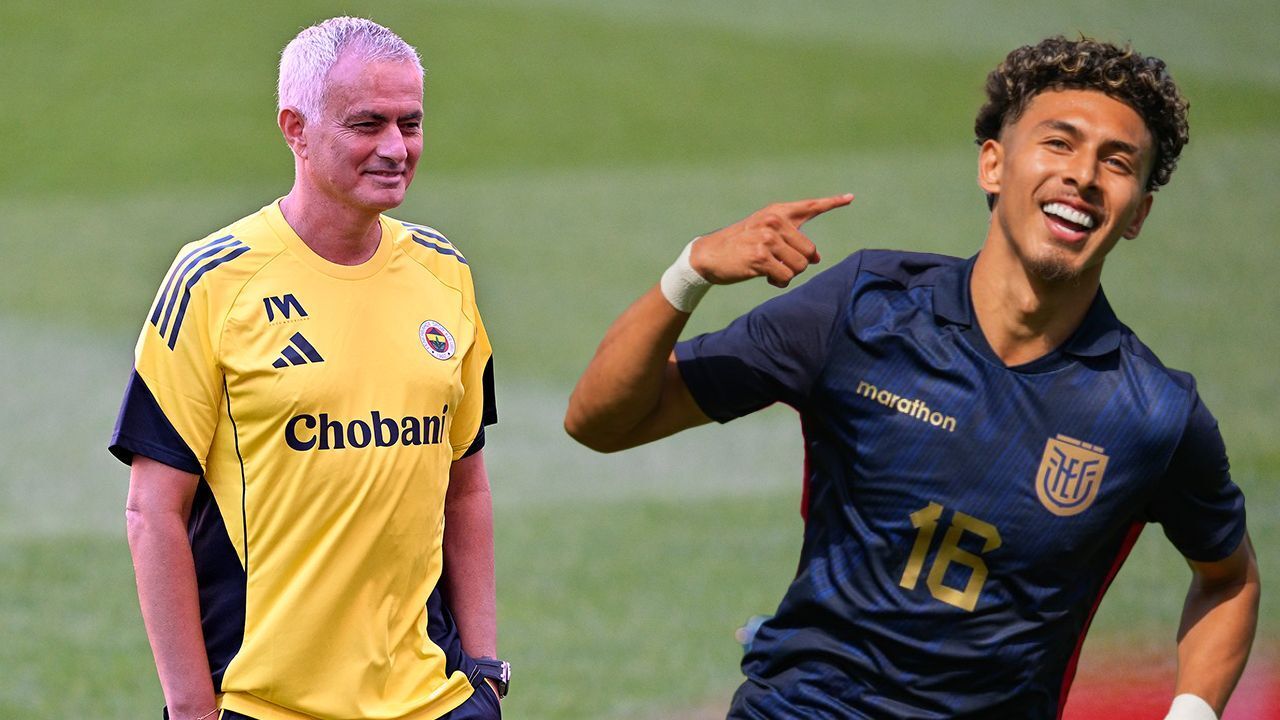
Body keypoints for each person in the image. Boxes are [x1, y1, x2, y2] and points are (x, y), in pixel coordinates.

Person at [565, 36, 1259, 720]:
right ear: (993, 164)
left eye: (1117, 162)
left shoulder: (1153, 413)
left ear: (1138, 213)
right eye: (1058, 143)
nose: (1083, 175)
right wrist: (690, 273)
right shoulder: (864, 308)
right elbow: (601, 421)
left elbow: (1228, 580)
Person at [110, 17, 507, 720]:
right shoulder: (213, 282)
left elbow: (465, 485)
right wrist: (192, 710)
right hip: (266, 703)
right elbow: (152, 512)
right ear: (296, 128)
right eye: (367, 124)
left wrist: (483, 669)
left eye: (410, 123)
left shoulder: (444, 272)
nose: (396, 148)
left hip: (436, 697)